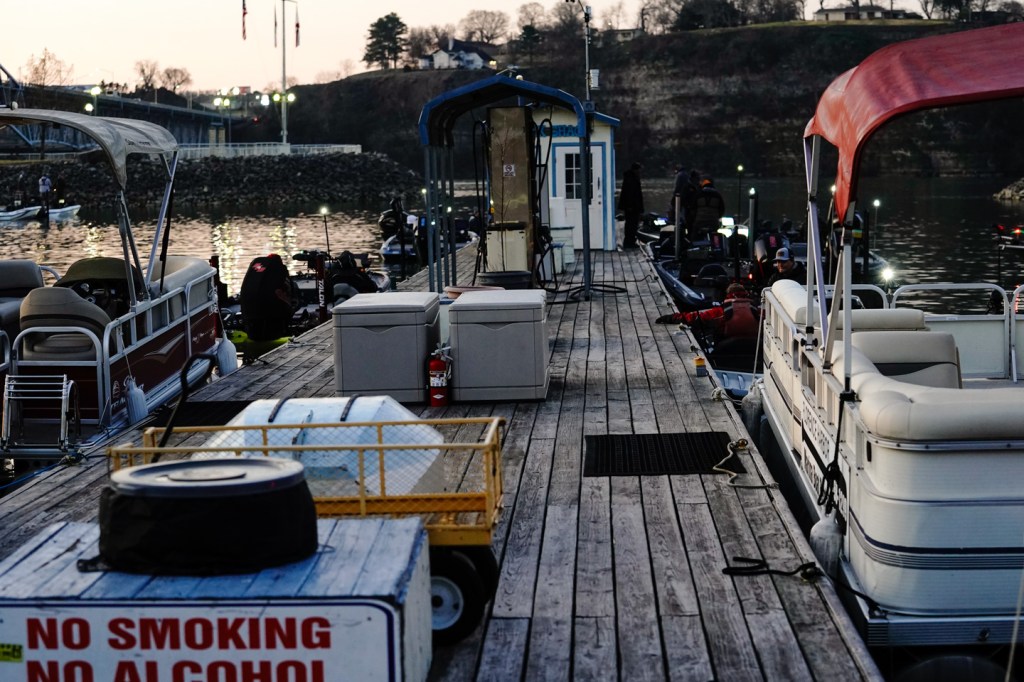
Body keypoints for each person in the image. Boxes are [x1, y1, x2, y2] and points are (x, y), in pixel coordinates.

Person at [690, 176, 726, 241]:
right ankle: (716, 244)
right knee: (715, 236)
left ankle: (693, 244)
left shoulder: (698, 194)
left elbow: (692, 209)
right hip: (713, 223)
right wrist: (716, 217)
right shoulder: (717, 195)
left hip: (699, 222)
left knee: (694, 236)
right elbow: (722, 209)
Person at [618, 162, 644, 248]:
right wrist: (630, 206)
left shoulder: (629, 178)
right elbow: (630, 194)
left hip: (631, 206)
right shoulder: (632, 179)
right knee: (631, 224)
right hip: (632, 207)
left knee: (631, 224)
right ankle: (630, 241)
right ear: (636, 170)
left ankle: (629, 240)